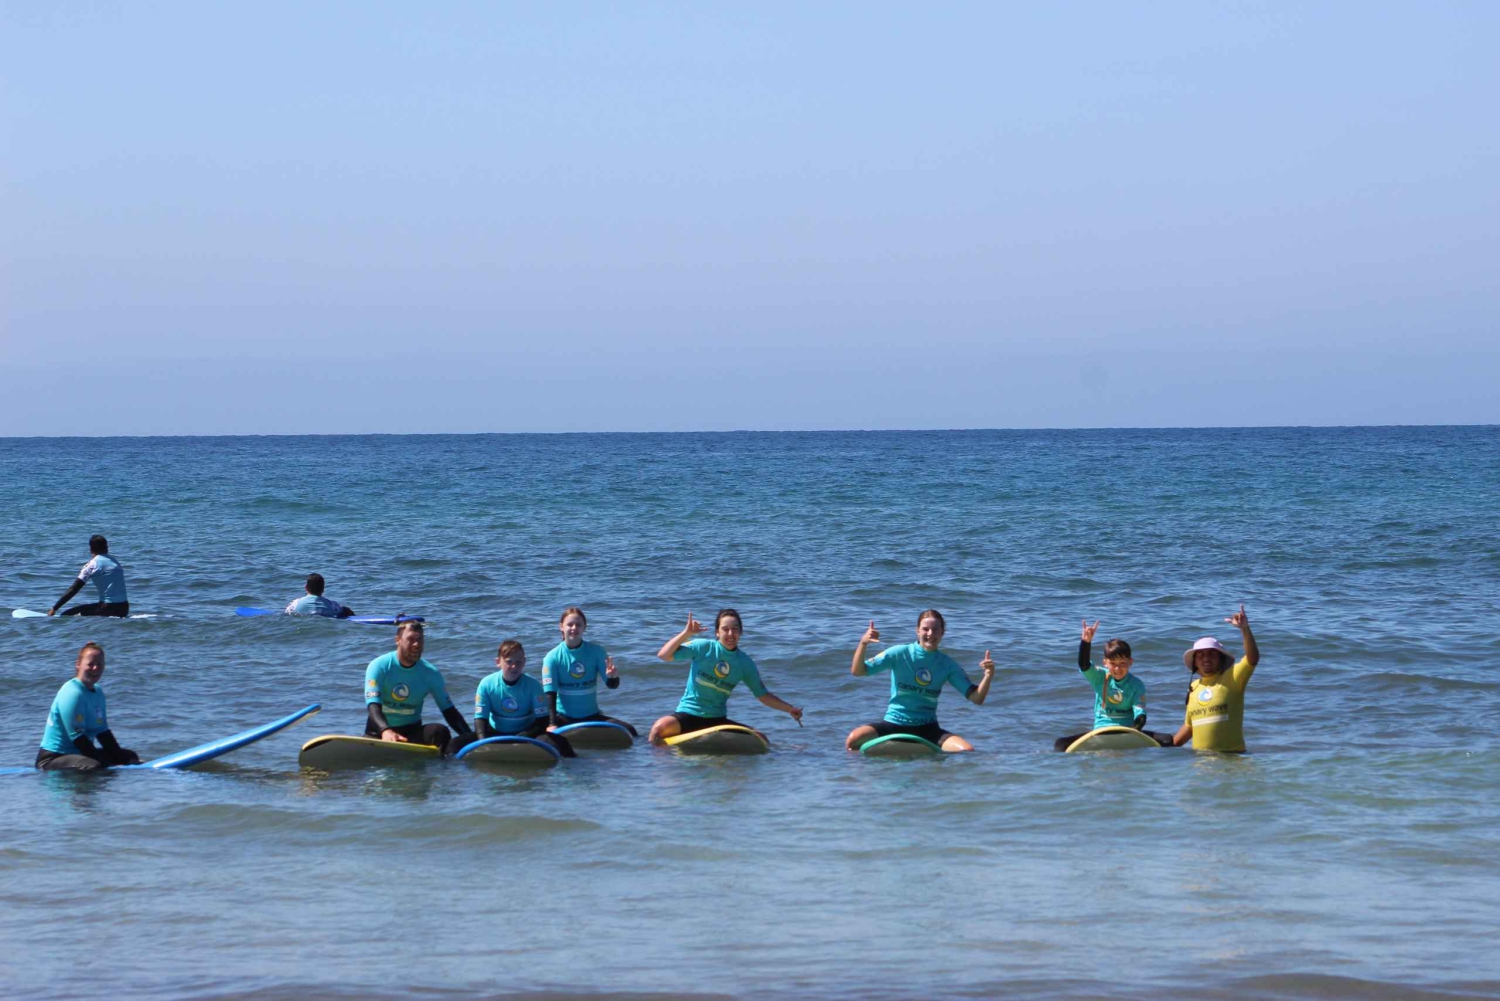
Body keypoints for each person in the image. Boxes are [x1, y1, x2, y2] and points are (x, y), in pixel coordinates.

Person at [845, 611, 994, 753]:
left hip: (928, 729)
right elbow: (858, 671)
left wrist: (988, 676)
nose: (930, 634)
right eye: (925, 629)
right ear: (917, 631)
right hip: (893, 724)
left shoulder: (947, 664)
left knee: (966, 750)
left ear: (942, 632)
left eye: (935, 630)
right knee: (853, 741)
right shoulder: (899, 653)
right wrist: (863, 643)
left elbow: (976, 698)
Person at [648, 610, 803, 746]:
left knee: (761, 739)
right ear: (717, 632)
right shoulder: (703, 647)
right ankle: (655, 766)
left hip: (717, 720)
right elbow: (664, 655)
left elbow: (762, 695)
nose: (730, 634)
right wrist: (687, 634)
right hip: (688, 715)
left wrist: (790, 709)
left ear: (741, 632)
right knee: (659, 728)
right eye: (725, 629)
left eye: (735, 629)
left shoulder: (744, 663)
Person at [1052, 619, 1172, 750]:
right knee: (1060, 744)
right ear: (1105, 663)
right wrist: (1086, 642)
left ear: (1130, 662)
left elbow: (1141, 716)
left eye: (1122, 664)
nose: (1117, 669)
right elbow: (1084, 665)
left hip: (1126, 731)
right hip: (1101, 731)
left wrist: (1133, 732)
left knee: (1167, 739)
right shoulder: (1100, 677)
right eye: (1113, 664)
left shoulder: (1136, 684)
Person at [364, 620, 475, 755]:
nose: (416, 645)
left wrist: (472, 739)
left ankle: (444, 771)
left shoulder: (430, 673)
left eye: (420, 640)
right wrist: (385, 730)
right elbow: (373, 706)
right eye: (410, 639)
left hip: (411, 735)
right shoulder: (379, 666)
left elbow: (449, 712)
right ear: (397, 640)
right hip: (379, 734)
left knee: (440, 732)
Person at [35, 642, 141, 771]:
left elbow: (103, 733)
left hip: (78, 755)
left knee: (130, 756)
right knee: (94, 766)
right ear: (78, 664)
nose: (95, 668)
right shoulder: (72, 693)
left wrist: (122, 759)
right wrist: (108, 764)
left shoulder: (98, 692)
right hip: (52, 758)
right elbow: (78, 738)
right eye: (90, 664)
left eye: (99, 665)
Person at [1170, 605, 1261, 752]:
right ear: (1195, 662)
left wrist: (1244, 629)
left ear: (1221, 659)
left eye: (1211, 654)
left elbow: (1253, 659)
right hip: (1201, 765)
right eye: (1200, 654)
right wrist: (1165, 748)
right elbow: (1189, 726)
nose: (1206, 658)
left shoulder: (1232, 677)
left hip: (1232, 759)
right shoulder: (1193, 688)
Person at [541, 606, 637, 736]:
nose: (574, 628)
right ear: (561, 627)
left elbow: (612, 686)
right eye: (570, 624)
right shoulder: (552, 657)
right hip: (563, 718)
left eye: (578, 625)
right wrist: (552, 724)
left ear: (584, 627)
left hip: (592, 716)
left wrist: (613, 678)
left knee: (630, 731)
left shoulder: (596, 652)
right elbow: (549, 694)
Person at [474, 640, 576, 757]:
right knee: (455, 744)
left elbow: (542, 721)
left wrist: (525, 736)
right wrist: (483, 743)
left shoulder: (533, 685)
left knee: (563, 743)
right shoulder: (486, 684)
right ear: (498, 662)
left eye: (518, 662)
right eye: (509, 662)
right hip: (496, 733)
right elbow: (480, 720)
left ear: (524, 662)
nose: (514, 666)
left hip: (528, 733)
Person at [48, 535, 128, 618]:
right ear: (107, 547)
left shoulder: (93, 564)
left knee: (66, 615)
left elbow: (74, 589)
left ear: (90, 549)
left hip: (107, 609)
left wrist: (54, 608)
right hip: (124, 609)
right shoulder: (116, 562)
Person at [285, 573, 355, 618]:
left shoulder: (295, 604)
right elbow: (346, 611)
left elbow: (286, 614)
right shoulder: (331, 605)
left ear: (306, 587)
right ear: (323, 589)